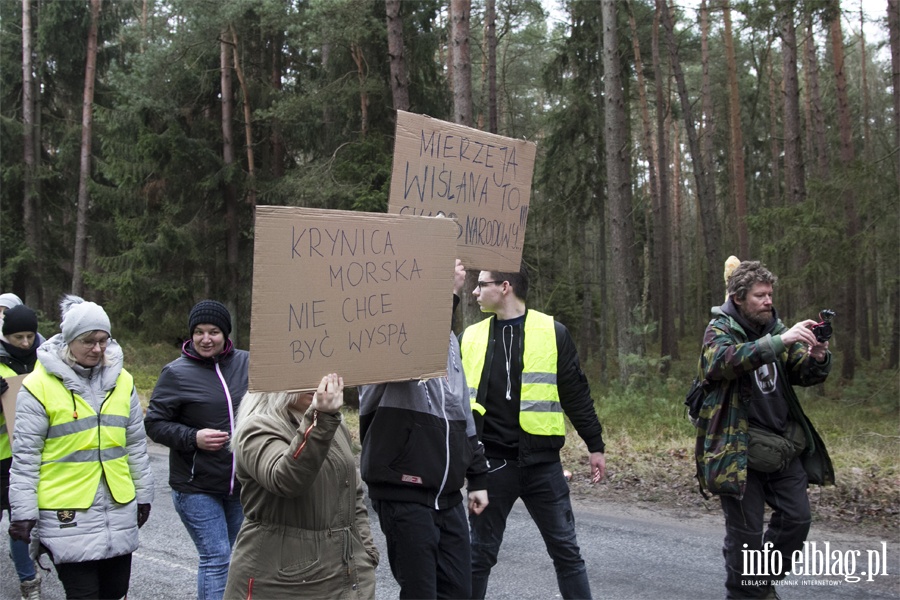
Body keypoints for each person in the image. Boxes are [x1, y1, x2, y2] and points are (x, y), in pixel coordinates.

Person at [460, 265, 606, 600]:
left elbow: (575, 393)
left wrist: (594, 444)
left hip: (543, 467)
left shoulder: (552, 331)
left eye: (481, 284)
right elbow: (453, 400)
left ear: (505, 287)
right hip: (490, 467)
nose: (475, 291)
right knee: (478, 555)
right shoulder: (470, 336)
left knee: (567, 554)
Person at [693, 260, 833, 599]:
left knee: (797, 521)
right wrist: (779, 342)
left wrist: (817, 355)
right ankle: (747, 591)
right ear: (739, 298)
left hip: (783, 447)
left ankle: (757, 584)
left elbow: (803, 373)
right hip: (736, 453)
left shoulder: (776, 327)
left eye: (770, 294)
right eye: (760, 295)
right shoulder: (720, 328)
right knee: (746, 538)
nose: (768, 301)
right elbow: (720, 362)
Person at [8, 296, 154, 600]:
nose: (98, 349)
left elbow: (136, 446)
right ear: (69, 340)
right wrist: (22, 514)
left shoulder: (123, 381)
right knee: (84, 594)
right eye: (89, 341)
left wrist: (144, 496)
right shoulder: (38, 386)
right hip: (66, 513)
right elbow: (26, 458)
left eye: (103, 340)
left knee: (116, 593)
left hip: (118, 509)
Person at [359, 259, 489, 599]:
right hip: (403, 492)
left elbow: (462, 412)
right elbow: (412, 346)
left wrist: (477, 477)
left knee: (460, 591)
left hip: (447, 494)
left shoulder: (447, 341)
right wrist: (447, 292)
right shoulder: (382, 331)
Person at [224, 373, 379, 599]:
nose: (315, 382)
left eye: (318, 374)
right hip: (280, 582)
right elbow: (286, 480)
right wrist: (321, 418)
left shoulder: (332, 425)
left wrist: (365, 551)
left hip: (344, 576)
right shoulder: (257, 427)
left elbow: (352, 493)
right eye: (301, 374)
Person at [144, 299, 249, 600]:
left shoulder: (247, 363)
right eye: (199, 332)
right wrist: (193, 437)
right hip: (196, 485)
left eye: (213, 331)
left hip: (241, 483)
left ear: (226, 333)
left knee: (238, 559)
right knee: (217, 557)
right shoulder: (176, 373)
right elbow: (154, 424)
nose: (206, 339)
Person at [1, 305, 43, 600]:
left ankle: (29, 581)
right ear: (6, 336)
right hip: (0, 458)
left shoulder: (45, 361)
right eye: (18, 337)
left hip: (28, 456)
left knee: (22, 520)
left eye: (30, 336)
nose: (25, 343)